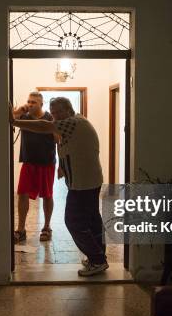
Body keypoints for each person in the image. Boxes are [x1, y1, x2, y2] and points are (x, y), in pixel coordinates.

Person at [9, 97, 108, 276]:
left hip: (84, 183)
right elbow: (67, 145)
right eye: (52, 113)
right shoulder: (75, 122)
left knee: (73, 220)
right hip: (88, 180)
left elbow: (44, 126)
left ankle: (97, 260)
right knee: (93, 220)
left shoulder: (74, 122)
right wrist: (62, 166)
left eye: (57, 113)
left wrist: (14, 121)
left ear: (68, 110)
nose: (54, 117)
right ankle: (99, 258)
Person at [12, 92, 57, 243]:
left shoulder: (49, 118)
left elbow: (59, 140)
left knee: (47, 195)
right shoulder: (23, 117)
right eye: (29, 101)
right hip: (28, 162)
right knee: (22, 194)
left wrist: (62, 165)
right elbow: (8, 118)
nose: (30, 104)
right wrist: (20, 110)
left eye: (34, 103)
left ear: (41, 104)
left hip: (47, 163)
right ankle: (21, 229)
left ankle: (46, 227)